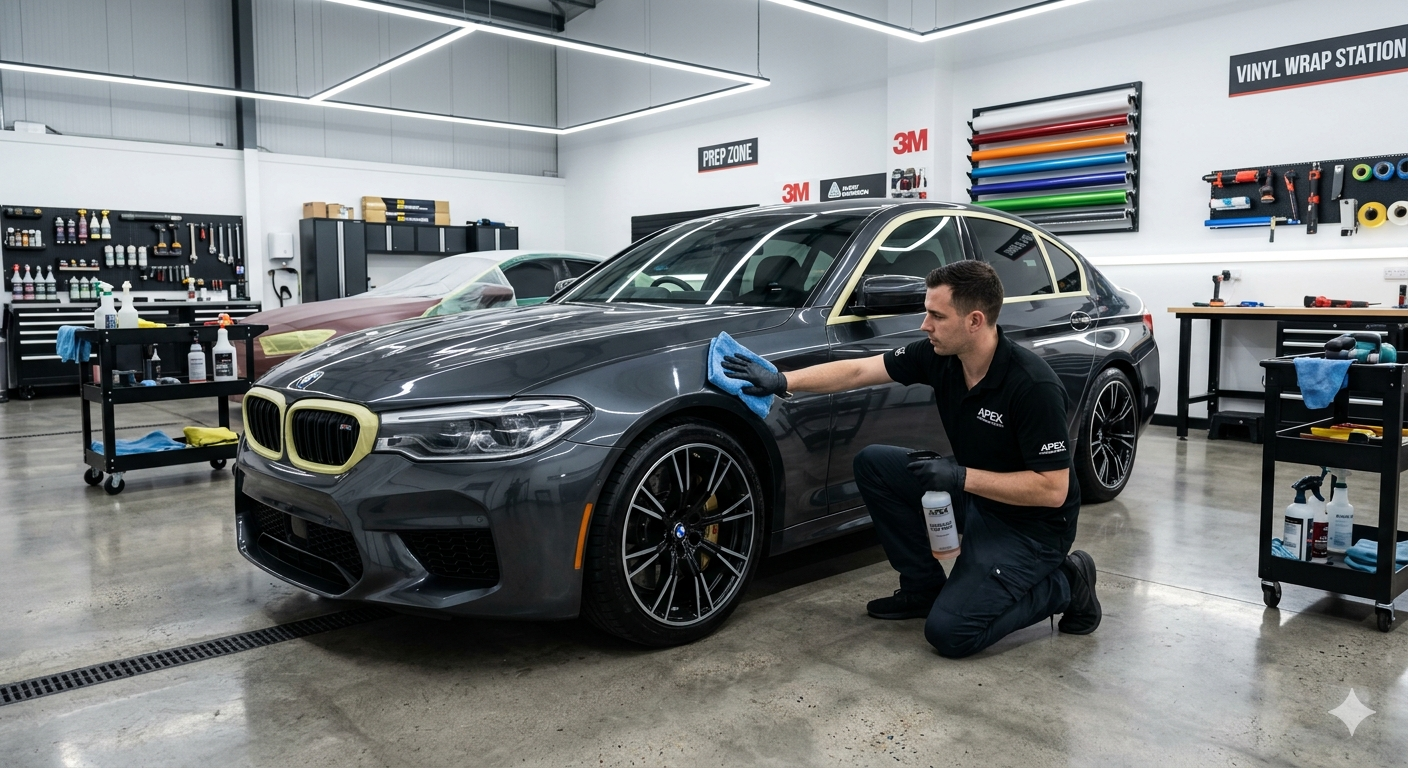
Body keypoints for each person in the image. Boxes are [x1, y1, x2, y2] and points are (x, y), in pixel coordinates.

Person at [722, 260, 1100, 659]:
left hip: (1030, 529)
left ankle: (1067, 582)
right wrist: (783, 380)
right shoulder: (941, 357)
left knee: (951, 634)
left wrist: (959, 477)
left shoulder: (1032, 386)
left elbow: (1052, 490)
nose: (925, 325)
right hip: (974, 496)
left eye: (937, 315)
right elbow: (858, 371)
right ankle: (922, 589)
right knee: (875, 464)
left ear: (974, 321)